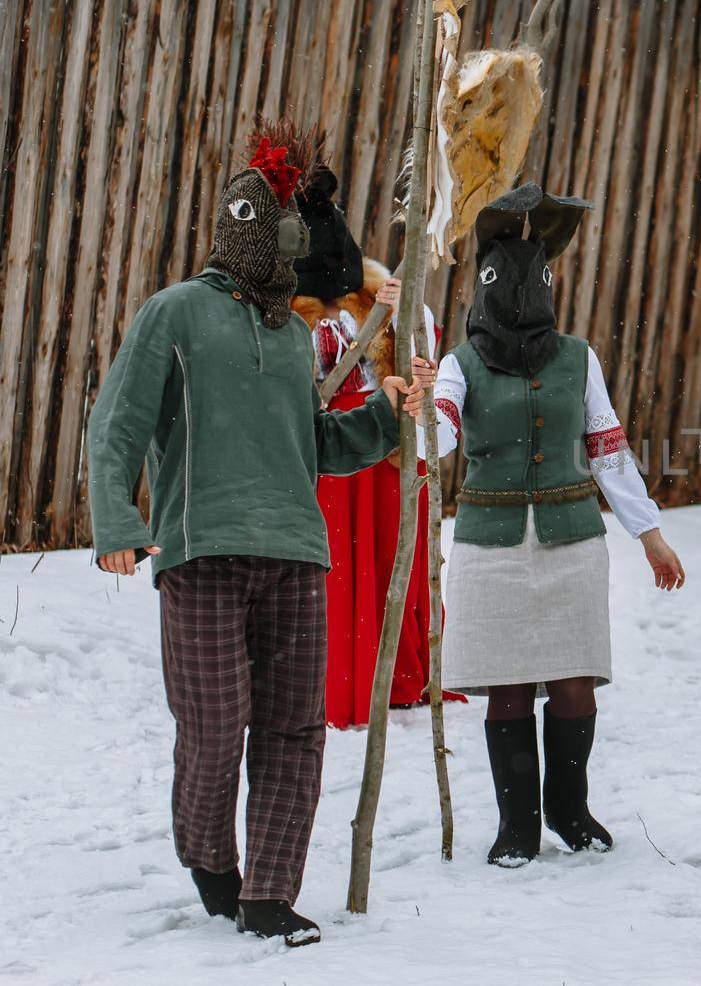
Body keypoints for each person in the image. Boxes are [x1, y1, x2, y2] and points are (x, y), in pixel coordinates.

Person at [87, 126, 434, 947]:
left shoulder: (288, 338)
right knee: (214, 724)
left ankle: (270, 892)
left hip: (295, 552)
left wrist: (389, 415)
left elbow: (312, 443)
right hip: (200, 548)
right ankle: (210, 856)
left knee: (293, 730)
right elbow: (117, 425)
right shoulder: (174, 313)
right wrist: (117, 523)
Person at [430, 182, 687, 868]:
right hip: (491, 546)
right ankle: (519, 824)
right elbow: (438, 439)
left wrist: (649, 532)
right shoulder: (460, 363)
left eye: (533, 278)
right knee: (508, 682)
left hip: (572, 540)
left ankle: (569, 808)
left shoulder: (577, 357)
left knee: (574, 678)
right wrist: (418, 399)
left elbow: (606, 447)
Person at [292, 225, 447, 729]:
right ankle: (337, 681)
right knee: (335, 567)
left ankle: (396, 677)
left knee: (390, 557)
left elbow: (423, 356)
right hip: (331, 452)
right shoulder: (287, 311)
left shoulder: (380, 295)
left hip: (387, 446)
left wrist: (408, 309)